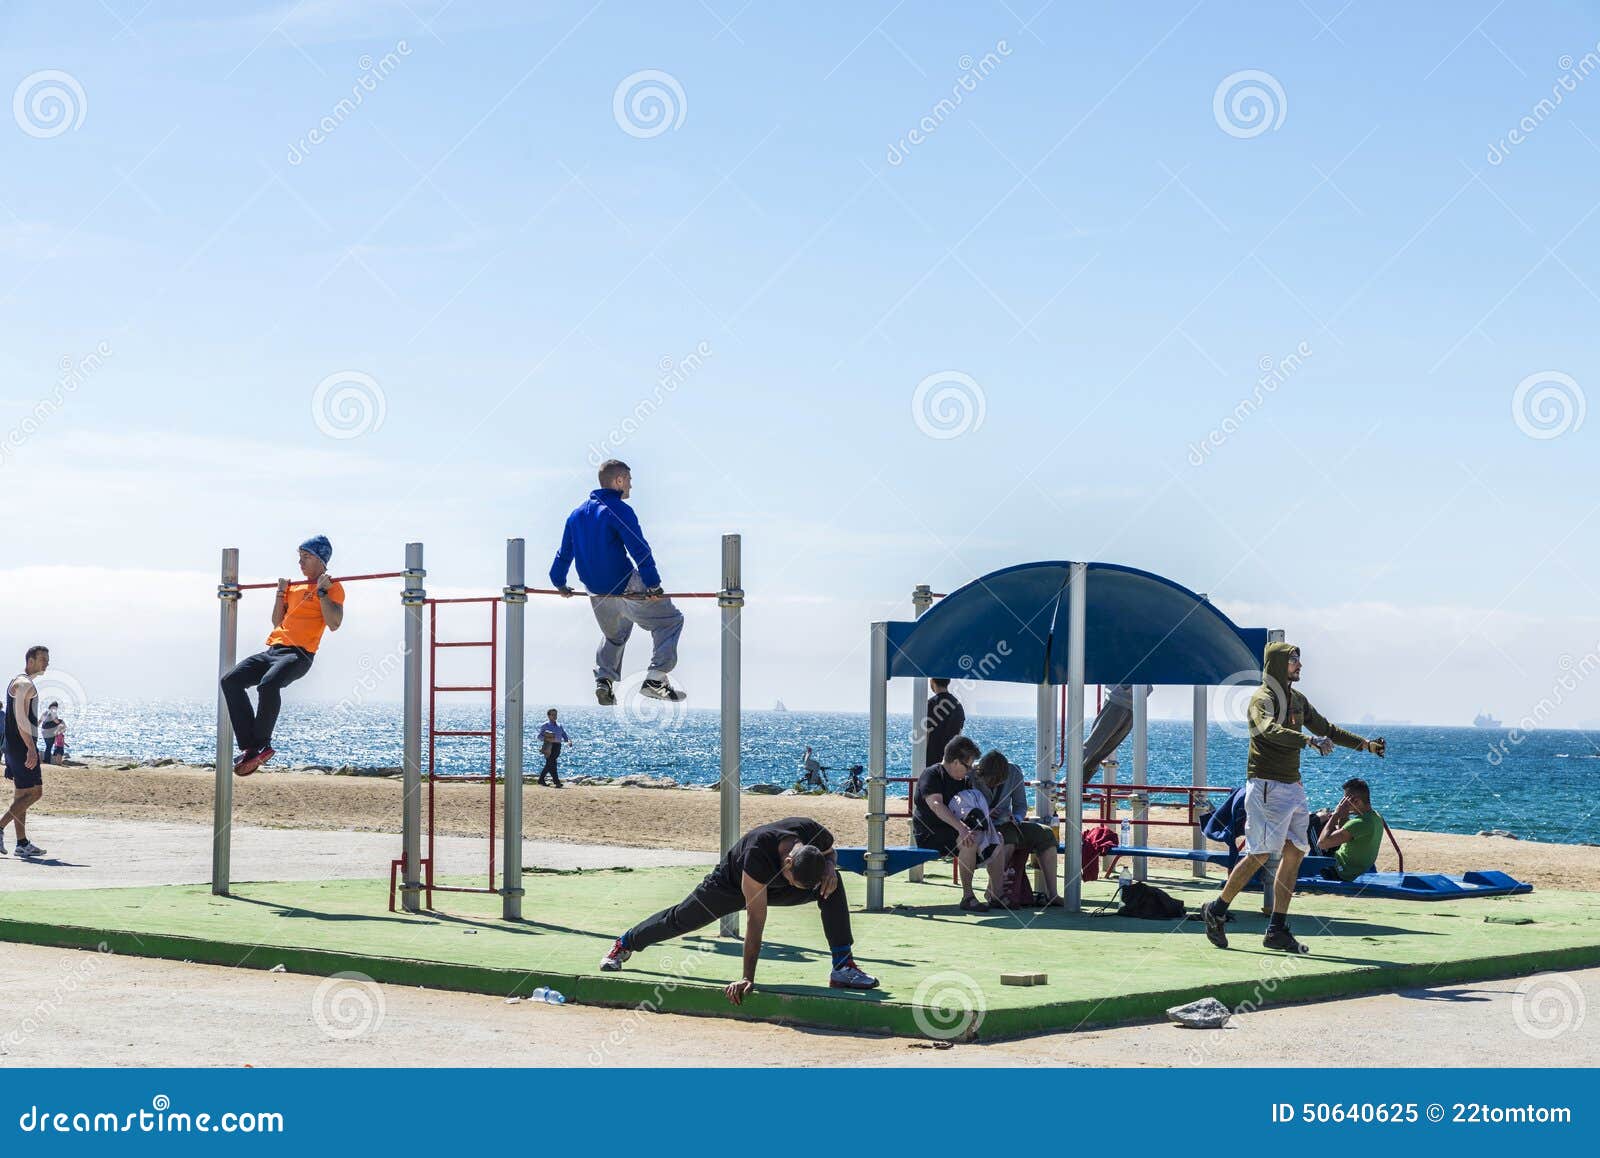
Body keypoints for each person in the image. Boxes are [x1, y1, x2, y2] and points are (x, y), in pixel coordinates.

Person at [1198, 642, 1385, 954]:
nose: (1299, 665)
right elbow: (1268, 729)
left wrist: (1364, 745)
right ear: (1278, 663)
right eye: (1293, 660)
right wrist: (1307, 741)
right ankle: (1216, 910)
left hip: (1293, 788)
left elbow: (1328, 729)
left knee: (1296, 852)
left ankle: (1277, 929)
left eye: (1300, 659)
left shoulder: (1298, 699)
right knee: (1260, 853)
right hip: (1267, 787)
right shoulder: (1262, 699)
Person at [598, 816, 879, 1001]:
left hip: (776, 884)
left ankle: (843, 967)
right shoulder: (758, 853)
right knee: (681, 919)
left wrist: (829, 867)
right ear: (788, 863)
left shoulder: (809, 831)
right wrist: (748, 978)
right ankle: (625, 943)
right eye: (797, 883)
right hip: (730, 886)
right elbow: (756, 921)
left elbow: (830, 852)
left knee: (834, 883)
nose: (800, 890)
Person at [550, 460, 685, 707]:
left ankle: (604, 679)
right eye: (630, 481)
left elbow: (564, 554)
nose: (631, 486)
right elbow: (639, 548)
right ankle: (656, 678)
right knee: (670, 621)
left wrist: (559, 583)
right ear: (619, 480)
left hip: (597, 592)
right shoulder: (618, 509)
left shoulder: (576, 514)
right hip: (626, 585)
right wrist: (653, 584)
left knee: (614, 636)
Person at [221, 536, 345, 777]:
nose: (300, 562)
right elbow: (278, 621)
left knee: (268, 685)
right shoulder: (295, 587)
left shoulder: (333, 587)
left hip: (299, 654)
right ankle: (251, 748)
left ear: (321, 559)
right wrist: (280, 594)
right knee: (231, 681)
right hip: (273, 651)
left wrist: (321, 593)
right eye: (299, 557)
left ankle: (261, 745)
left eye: (306, 557)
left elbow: (334, 623)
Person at [912, 736, 1012, 911]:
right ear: (956, 762)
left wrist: (985, 814)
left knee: (999, 838)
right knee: (968, 839)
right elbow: (936, 804)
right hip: (931, 833)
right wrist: (962, 828)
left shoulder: (963, 781)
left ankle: (996, 894)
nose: (969, 771)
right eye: (968, 766)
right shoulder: (933, 774)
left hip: (955, 831)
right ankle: (967, 896)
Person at [976, 750, 1064, 907]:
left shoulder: (1014, 772)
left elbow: (1020, 806)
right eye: (991, 781)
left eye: (998, 781)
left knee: (1045, 834)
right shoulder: (971, 775)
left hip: (1007, 822)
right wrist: (984, 813)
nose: (995, 784)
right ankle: (994, 890)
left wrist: (1015, 818)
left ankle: (1053, 894)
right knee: (1007, 838)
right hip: (980, 826)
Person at [1, 645, 51, 858]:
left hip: (12, 745)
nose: (46, 663)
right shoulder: (24, 684)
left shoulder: (18, 681)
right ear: (30, 661)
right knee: (35, 792)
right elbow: (22, 719)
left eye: (47, 660)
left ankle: (21, 843)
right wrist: (31, 747)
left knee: (22, 794)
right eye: (42, 659)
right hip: (21, 746)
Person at [1309, 778, 1385, 882]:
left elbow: (1322, 844)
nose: (1343, 803)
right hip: (1357, 865)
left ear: (1357, 801)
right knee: (1323, 823)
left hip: (1340, 872)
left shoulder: (1359, 823)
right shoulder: (1376, 817)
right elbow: (1347, 837)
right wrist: (1343, 817)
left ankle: (1301, 868)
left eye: (1345, 800)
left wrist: (1335, 815)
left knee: (1313, 824)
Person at [920, 678, 964, 771]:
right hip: (951, 760)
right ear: (948, 682)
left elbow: (925, 734)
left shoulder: (929, 704)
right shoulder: (958, 705)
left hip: (931, 760)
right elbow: (959, 735)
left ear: (932, 682)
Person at [536, 709, 572, 787]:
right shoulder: (545, 725)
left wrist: (568, 741)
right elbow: (539, 736)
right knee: (551, 763)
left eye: (555, 714)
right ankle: (556, 782)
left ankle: (541, 780)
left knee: (551, 763)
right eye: (553, 714)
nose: (555, 716)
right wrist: (547, 739)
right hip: (548, 746)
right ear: (548, 716)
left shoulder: (559, 725)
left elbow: (564, 734)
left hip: (557, 746)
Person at [38, 701, 63, 765]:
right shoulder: (53, 712)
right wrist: (60, 723)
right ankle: (46, 761)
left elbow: (40, 721)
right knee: (49, 746)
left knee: (48, 746)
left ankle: (46, 759)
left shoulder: (45, 712)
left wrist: (34, 728)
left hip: (43, 731)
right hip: (50, 732)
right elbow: (56, 721)